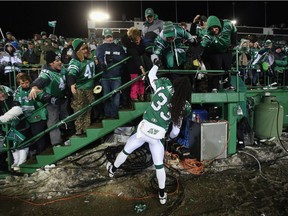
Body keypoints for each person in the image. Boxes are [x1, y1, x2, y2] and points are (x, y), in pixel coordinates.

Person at [106, 65, 192, 205]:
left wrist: (156, 64)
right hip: (157, 137)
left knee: (126, 151)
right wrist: (170, 137)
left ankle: (112, 170)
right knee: (159, 166)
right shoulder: (183, 105)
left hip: (142, 132)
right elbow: (176, 131)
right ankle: (162, 194)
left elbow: (152, 75)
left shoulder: (162, 88)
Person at [28, 51, 70, 146]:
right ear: (51, 63)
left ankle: (67, 136)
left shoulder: (61, 69)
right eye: (57, 60)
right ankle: (56, 143)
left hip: (63, 98)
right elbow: (39, 82)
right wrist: (34, 88)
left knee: (66, 117)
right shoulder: (47, 73)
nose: (60, 62)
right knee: (53, 120)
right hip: (52, 101)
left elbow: (69, 73)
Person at [199, 15, 237, 92]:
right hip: (215, 51)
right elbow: (203, 44)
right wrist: (198, 53)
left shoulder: (228, 24)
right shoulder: (207, 33)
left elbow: (234, 30)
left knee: (227, 67)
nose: (214, 30)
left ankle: (227, 84)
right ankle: (214, 86)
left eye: (215, 27)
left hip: (226, 50)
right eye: (211, 28)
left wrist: (233, 42)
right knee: (216, 67)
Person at [67, 38, 96, 135]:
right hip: (80, 89)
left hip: (90, 88)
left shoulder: (90, 58)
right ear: (78, 50)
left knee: (88, 109)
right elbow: (71, 74)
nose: (86, 51)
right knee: (79, 110)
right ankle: (79, 130)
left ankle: (86, 128)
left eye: (87, 48)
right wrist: (71, 85)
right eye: (83, 49)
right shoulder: (75, 61)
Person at [96, 28, 126, 119]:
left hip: (116, 76)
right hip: (105, 77)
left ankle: (114, 114)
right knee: (106, 97)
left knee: (116, 97)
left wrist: (112, 58)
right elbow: (100, 59)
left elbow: (123, 58)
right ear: (104, 37)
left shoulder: (118, 47)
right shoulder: (100, 48)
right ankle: (108, 115)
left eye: (111, 36)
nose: (110, 38)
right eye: (107, 36)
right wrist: (103, 63)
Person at [121, 27, 152, 102]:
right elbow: (136, 57)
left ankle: (141, 95)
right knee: (135, 82)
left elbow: (142, 51)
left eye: (138, 38)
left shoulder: (141, 44)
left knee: (142, 81)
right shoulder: (130, 47)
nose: (138, 40)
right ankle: (134, 97)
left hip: (141, 66)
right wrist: (141, 68)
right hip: (133, 67)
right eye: (136, 39)